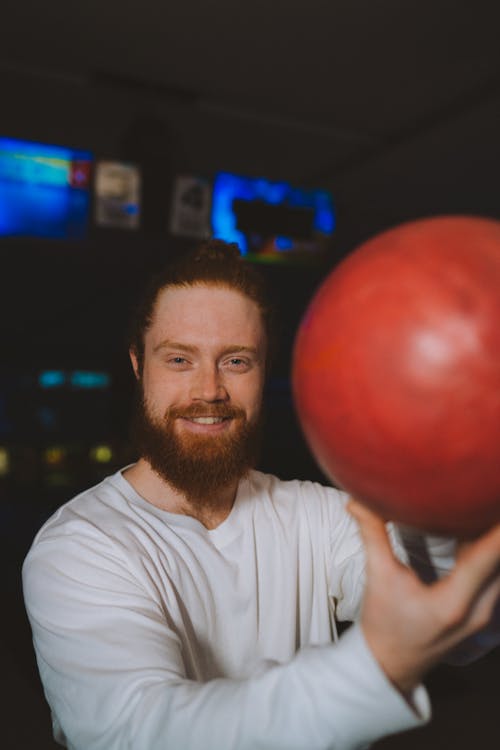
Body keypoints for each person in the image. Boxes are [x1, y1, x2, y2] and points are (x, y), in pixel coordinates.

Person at [23, 239, 500, 750]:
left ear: (263, 370)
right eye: (180, 359)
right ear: (140, 366)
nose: (208, 390)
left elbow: (450, 619)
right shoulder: (79, 547)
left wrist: (449, 472)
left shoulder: (316, 514)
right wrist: (375, 667)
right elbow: (137, 733)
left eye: (236, 361)